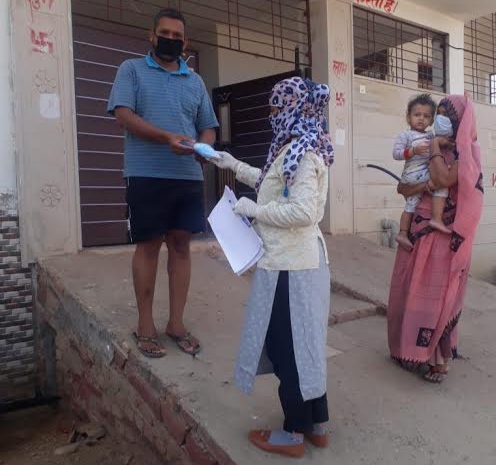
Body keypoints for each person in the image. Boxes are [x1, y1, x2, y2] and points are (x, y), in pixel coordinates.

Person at [211, 77, 334, 458]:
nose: (272, 114)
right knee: (306, 343)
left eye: (278, 107)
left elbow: (304, 210)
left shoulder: (304, 154)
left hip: (292, 268)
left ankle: (294, 433)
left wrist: (253, 210)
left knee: (288, 349)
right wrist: (229, 164)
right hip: (292, 262)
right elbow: (271, 181)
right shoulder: (294, 149)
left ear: (296, 108)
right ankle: (317, 424)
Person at [107, 8, 219, 357]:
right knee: (149, 246)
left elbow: (208, 127)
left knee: (182, 247)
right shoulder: (132, 70)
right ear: (151, 35)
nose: (170, 40)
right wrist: (166, 138)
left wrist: (206, 148)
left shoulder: (196, 82)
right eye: (164, 33)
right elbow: (123, 115)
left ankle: (176, 323)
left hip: (187, 176)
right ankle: (145, 326)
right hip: (146, 173)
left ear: (185, 42)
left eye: (177, 36)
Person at [388, 95, 483, 383]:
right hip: (418, 233)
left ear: (459, 123)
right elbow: (404, 189)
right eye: (436, 113)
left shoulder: (466, 154)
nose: (438, 119)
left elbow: (443, 180)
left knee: (435, 300)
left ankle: (437, 361)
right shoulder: (427, 145)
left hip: (443, 241)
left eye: (445, 114)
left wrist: (431, 151)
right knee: (409, 293)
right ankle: (409, 351)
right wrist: (422, 179)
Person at [393, 94, 453, 251]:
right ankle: (436, 218)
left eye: (426, 116)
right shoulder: (405, 135)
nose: (421, 119)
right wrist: (412, 151)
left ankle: (402, 233)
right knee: (441, 183)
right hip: (413, 174)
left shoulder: (430, 135)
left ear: (432, 121)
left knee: (410, 205)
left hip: (420, 175)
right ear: (408, 118)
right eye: (417, 115)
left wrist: (444, 142)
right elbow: (396, 153)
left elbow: (439, 143)